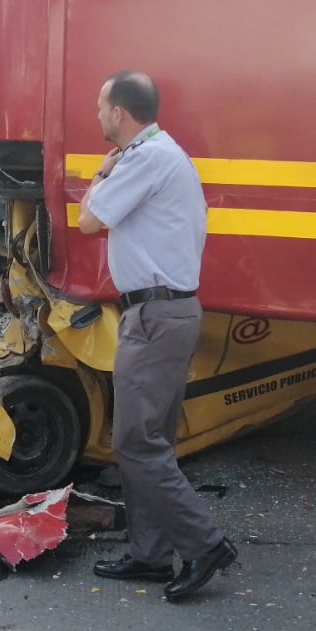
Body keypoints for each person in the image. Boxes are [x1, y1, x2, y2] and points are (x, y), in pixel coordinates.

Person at [78, 70, 237, 602]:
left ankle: (204, 543)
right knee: (152, 441)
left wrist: (101, 172)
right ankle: (150, 555)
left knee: (135, 442)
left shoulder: (142, 158)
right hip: (167, 313)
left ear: (119, 112)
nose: (97, 115)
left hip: (154, 317)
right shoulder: (165, 153)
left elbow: (88, 221)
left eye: (101, 107)